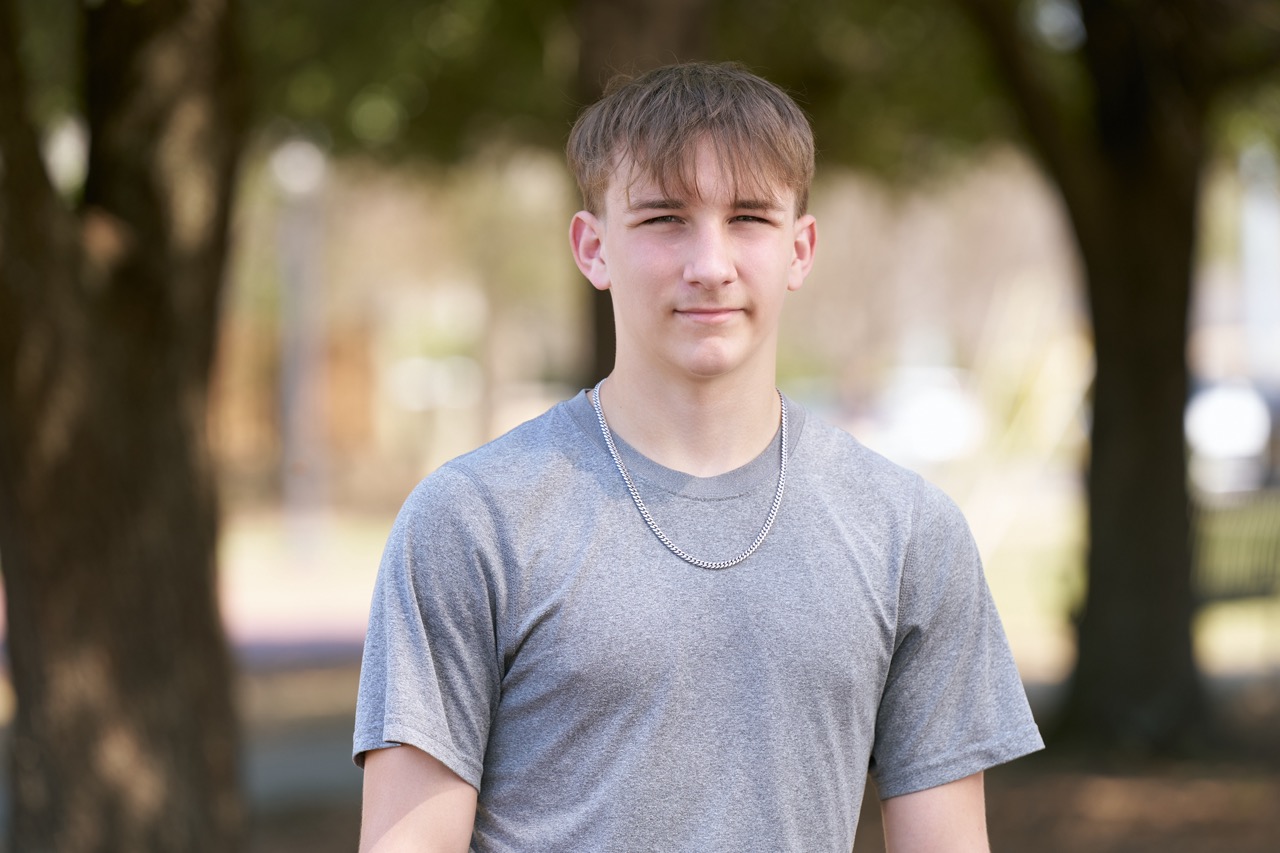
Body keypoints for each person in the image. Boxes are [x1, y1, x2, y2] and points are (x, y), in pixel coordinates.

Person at [353, 61, 1043, 852]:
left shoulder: (908, 531)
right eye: (664, 219)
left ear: (800, 249)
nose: (710, 265)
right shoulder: (472, 519)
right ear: (593, 248)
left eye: (748, 217)